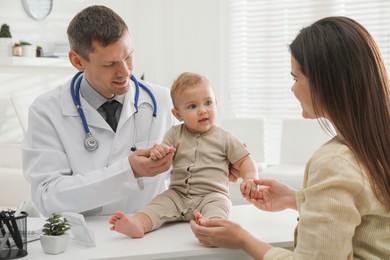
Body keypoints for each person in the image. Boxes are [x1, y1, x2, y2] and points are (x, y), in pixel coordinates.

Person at [190, 16, 390, 259]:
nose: (292, 89)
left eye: (296, 78)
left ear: (324, 83)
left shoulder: (335, 162)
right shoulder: (378, 142)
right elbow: (372, 213)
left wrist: (242, 239)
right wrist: (296, 199)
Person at [21, 5, 177, 217]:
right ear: (77, 61)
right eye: (110, 63)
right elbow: (47, 198)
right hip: (84, 240)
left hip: (151, 231)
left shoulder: (163, 101)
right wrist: (128, 172)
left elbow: (193, 162)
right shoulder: (46, 111)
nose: (126, 72)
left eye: (128, 57)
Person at [109, 72, 258, 238]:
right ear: (178, 114)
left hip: (212, 194)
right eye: (192, 106)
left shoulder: (225, 137)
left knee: (220, 207)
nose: (202, 111)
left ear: (216, 104)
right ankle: (138, 223)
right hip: (177, 194)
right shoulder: (174, 133)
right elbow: (162, 153)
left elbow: (245, 160)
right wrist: (158, 152)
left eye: (208, 103)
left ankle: (212, 228)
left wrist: (250, 178)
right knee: (156, 205)